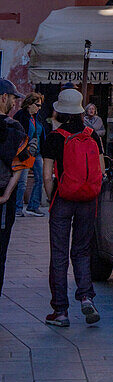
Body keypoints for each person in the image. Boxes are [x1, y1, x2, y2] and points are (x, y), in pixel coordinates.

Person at [42, 88, 105, 326]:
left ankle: (60, 311)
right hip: (88, 200)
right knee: (81, 251)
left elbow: (48, 176)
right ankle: (86, 298)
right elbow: (101, 169)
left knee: (59, 255)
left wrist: (53, 198)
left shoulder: (55, 137)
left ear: (59, 110)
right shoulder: (93, 136)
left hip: (63, 199)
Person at [0, 78, 30, 295]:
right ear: (3, 98)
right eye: (12, 98)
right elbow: (21, 165)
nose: (14, 103)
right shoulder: (14, 127)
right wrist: (7, 195)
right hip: (2, 197)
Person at [15, 93, 46, 217]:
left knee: (40, 178)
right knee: (22, 181)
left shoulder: (37, 117)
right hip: (25, 152)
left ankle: (33, 206)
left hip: (36, 152)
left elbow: (41, 134)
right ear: (29, 104)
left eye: (40, 105)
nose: (39, 108)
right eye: (37, 105)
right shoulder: (21, 116)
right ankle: (17, 208)